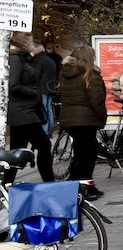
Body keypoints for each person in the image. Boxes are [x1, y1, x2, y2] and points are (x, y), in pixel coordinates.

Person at [58, 44, 107, 200]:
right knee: (86, 155)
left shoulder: (66, 73)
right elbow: (97, 101)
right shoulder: (90, 74)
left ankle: (85, 185)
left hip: (70, 119)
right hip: (85, 120)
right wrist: (102, 118)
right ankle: (81, 189)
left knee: (83, 153)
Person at [8, 32, 54, 183]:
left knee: (17, 152)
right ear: (24, 42)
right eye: (31, 41)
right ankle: (49, 182)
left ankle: (6, 184)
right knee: (43, 144)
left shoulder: (24, 58)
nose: (33, 44)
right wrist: (34, 93)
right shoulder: (16, 59)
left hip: (25, 111)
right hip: (23, 113)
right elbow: (13, 85)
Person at [31, 43, 58, 135]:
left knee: (43, 110)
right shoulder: (50, 60)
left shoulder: (38, 60)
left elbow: (36, 75)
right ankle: (50, 130)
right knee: (49, 109)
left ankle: (44, 131)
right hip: (50, 88)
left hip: (41, 89)